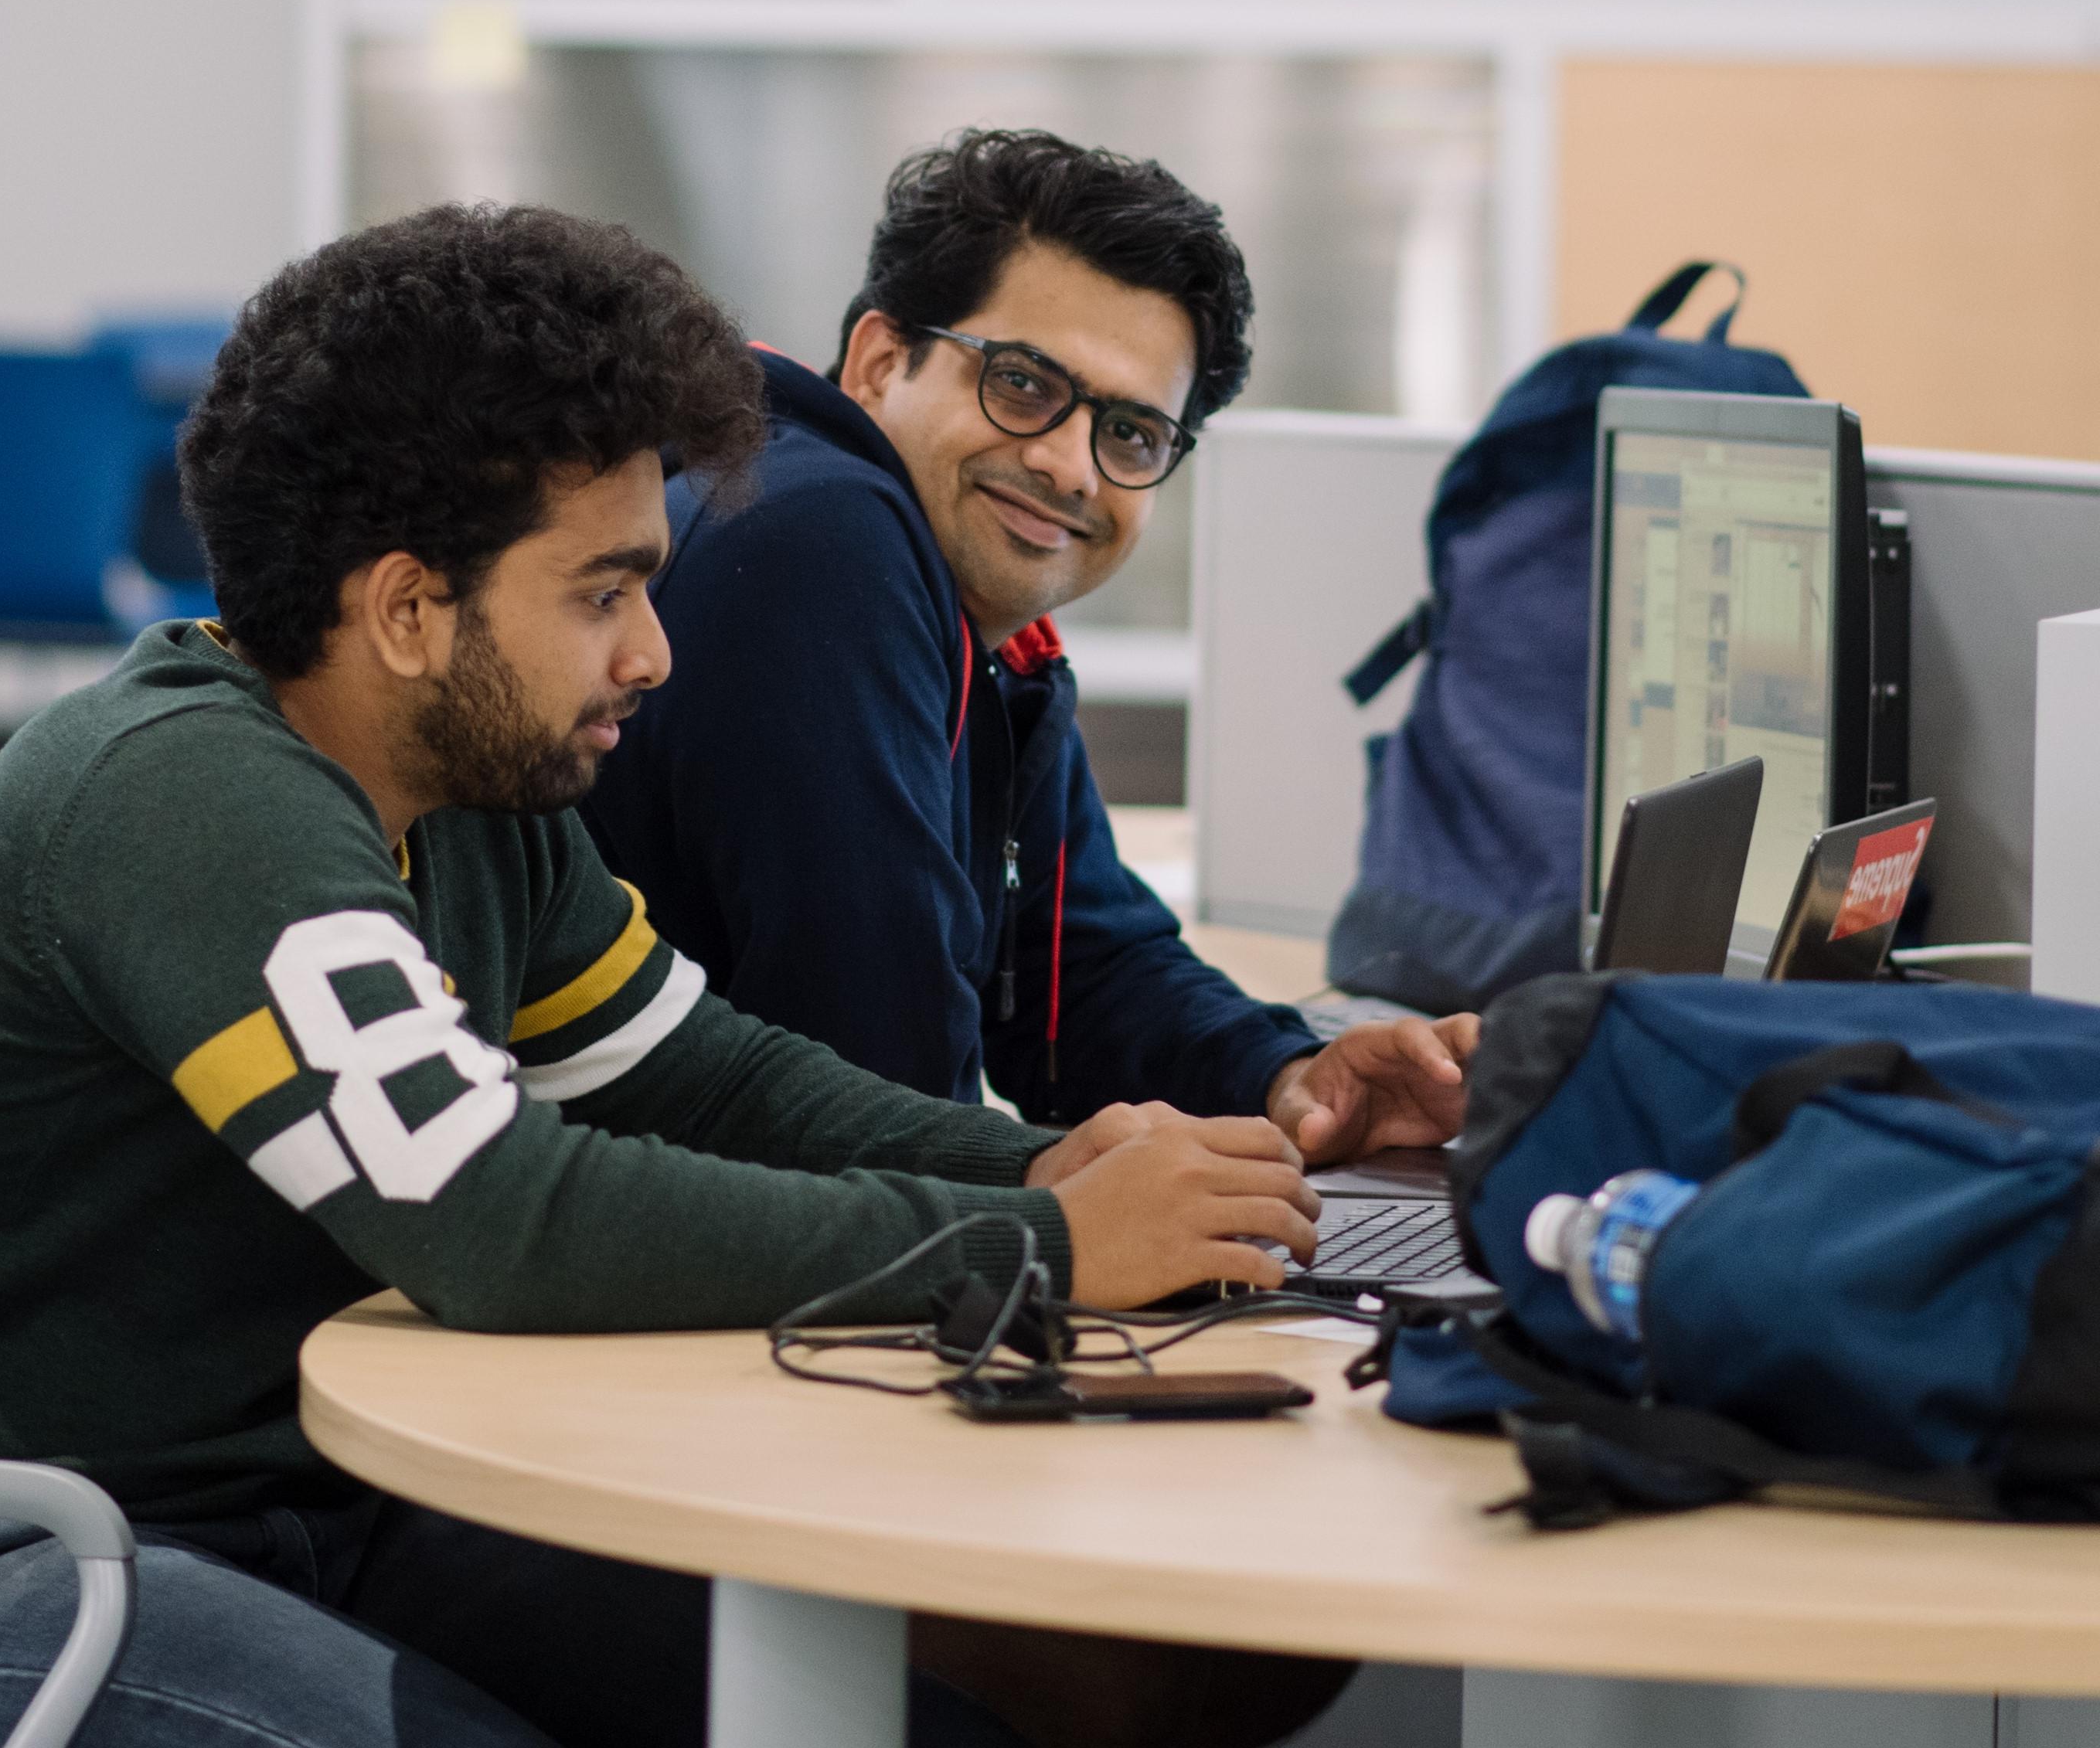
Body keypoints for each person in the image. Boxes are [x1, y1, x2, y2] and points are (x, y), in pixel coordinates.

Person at [0, 206, 1340, 1748]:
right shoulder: (188, 799)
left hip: (275, 1511)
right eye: (604, 591)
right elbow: (497, 1222)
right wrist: (1037, 1242)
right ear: (410, 609)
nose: (653, 651)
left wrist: (1054, 1157)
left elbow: (707, 1078)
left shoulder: (478, 795)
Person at [581, 128, 1477, 1162]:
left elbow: (1076, 966)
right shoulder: (815, 537)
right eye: (1021, 383)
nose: (1070, 466)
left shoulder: (990, 636)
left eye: (1132, 433)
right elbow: (890, 1106)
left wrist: (1288, 1076)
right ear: (879, 360)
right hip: (622, 1289)